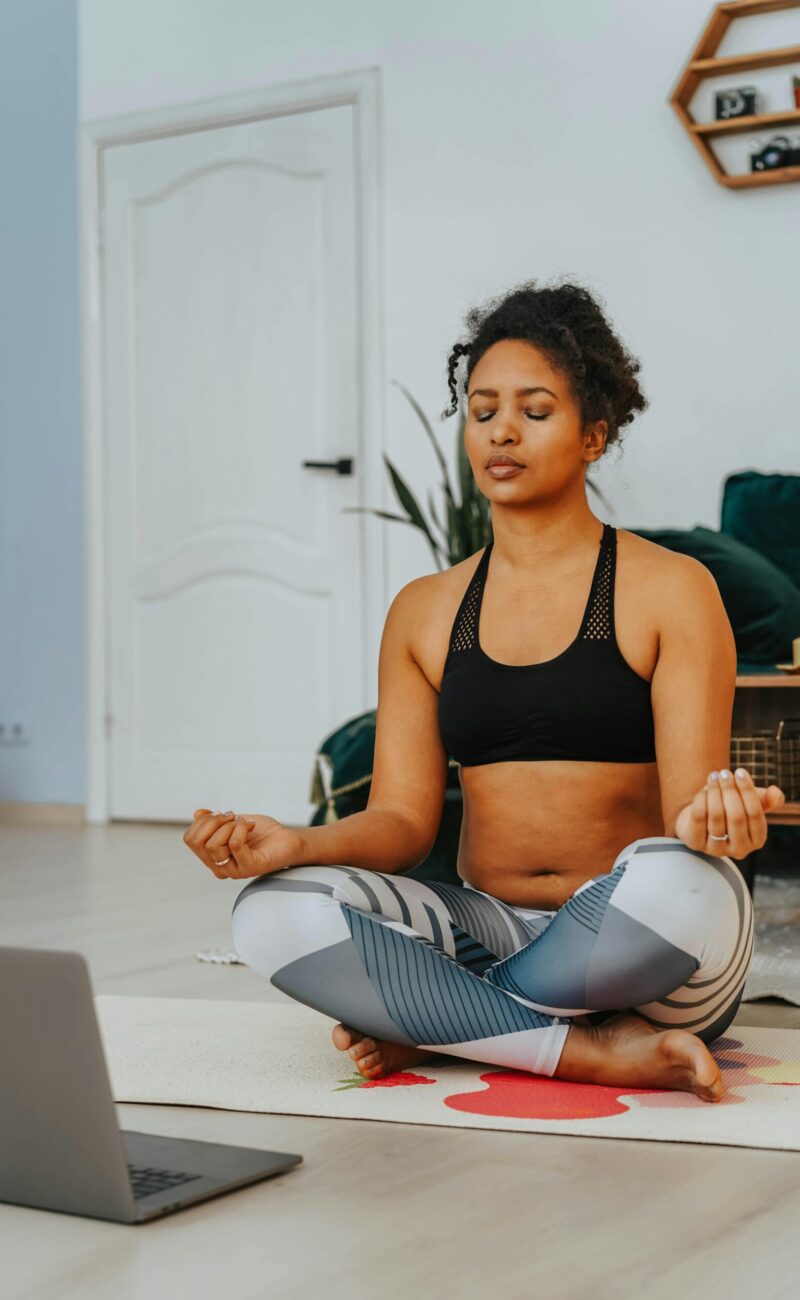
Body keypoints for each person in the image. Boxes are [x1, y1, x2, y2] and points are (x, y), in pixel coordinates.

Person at [183, 277, 785, 1102]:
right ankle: (582, 1051)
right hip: (491, 929)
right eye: (482, 409)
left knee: (684, 882)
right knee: (270, 912)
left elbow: (690, 819)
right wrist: (297, 843)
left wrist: (724, 824)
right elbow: (402, 824)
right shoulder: (424, 612)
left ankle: (444, 1022)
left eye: (535, 411)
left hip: (646, 953)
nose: (502, 430)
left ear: (593, 435)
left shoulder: (673, 590)